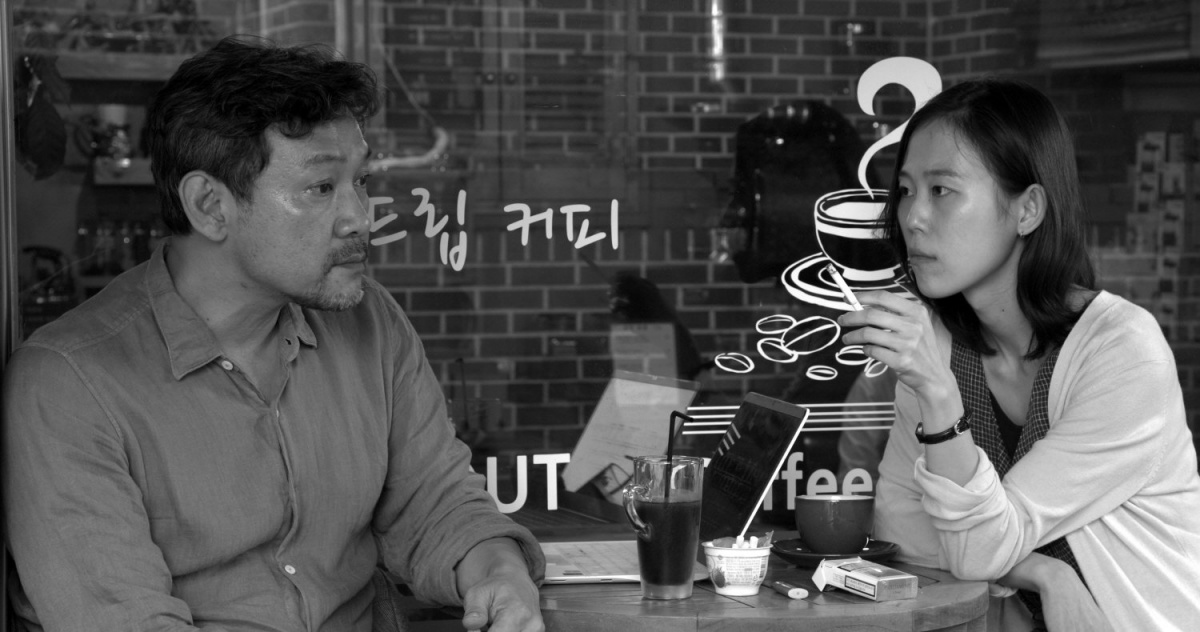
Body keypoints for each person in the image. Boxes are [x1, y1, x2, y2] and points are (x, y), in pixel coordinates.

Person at [3, 37, 545, 632]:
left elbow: (436, 504)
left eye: (362, 181)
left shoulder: (370, 321)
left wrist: (500, 575)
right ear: (210, 205)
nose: (360, 217)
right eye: (321, 188)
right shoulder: (68, 383)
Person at [838, 77, 1200, 631]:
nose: (912, 217)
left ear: (1027, 209)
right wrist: (1045, 575)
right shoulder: (939, 347)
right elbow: (907, 538)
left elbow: (978, 548)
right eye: (906, 190)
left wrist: (938, 394)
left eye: (942, 190)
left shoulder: (1123, 352)